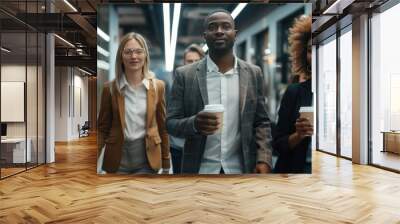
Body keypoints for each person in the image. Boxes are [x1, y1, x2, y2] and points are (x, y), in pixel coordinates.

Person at [166, 9, 273, 174]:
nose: (219, 31)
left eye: (225, 26)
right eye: (213, 27)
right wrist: (194, 124)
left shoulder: (253, 73)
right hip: (200, 169)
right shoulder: (185, 75)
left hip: (241, 168)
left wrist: (264, 158)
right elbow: (171, 123)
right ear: (205, 36)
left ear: (235, 34)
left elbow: (262, 122)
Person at [98, 32, 170, 174]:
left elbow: (163, 127)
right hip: (118, 159)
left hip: (147, 159)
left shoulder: (158, 87)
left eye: (138, 51)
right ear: (121, 56)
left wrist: (166, 161)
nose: (134, 56)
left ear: (145, 55)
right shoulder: (110, 89)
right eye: (128, 52)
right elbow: (102, 128)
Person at [272, 15, 313, 173]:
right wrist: (299, 135)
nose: (315, 54)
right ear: (304, 55)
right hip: (296, 172)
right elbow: (278, 143)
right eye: (310, 50)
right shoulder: (294, 92)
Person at [170, 44, 205, 174]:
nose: (194, 64)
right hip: (178, 146)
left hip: (201, 148)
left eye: (197, 61)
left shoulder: (210, 85)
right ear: (183, 63)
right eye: (190, 61)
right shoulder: (176, 84)